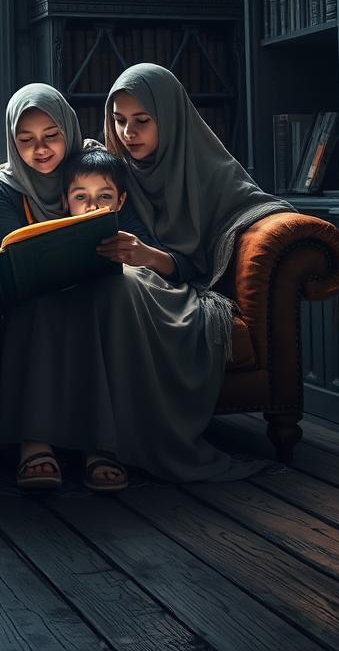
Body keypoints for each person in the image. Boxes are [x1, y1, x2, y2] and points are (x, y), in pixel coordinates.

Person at [0, 83, 184, 492]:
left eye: (51, 136)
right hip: (34, 291)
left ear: (68, 132)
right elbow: (10, 252)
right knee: (35, 303)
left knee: (103, 296)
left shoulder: (90, 168)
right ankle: (34, 442)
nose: (40, 150)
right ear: (11, 140)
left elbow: (138, 237)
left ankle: (101, 444)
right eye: (25, 140)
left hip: (95, 285)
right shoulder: (3, 189)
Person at [102, 62, 294, 481]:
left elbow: (218, 247)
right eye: (118, 121)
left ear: (169, 118)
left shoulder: (207, 169)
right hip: (125, 278)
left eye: (142, 121)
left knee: (126, 286)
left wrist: (150, 256)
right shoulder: (112, 172)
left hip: (180, 285)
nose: (127, 134)